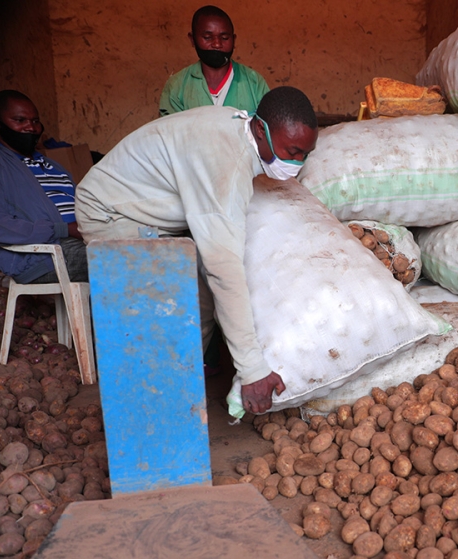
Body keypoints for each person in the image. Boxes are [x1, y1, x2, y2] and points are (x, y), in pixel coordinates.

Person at [76, 86, 318, 414]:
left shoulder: (238, 129)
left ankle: (177, 381)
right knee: (168, 305)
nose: (297, 163)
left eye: (305, 154)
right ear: (261, 130)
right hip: (110, 214)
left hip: (147, 214)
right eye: (291, 151)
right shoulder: (226, 163)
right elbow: (223, 268)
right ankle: (151, 401)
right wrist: (252, 369)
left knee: (202, 302)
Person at [0, 90, 88, 284]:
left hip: (80, 242)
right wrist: (64, 229)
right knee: (120, 260)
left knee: (141, 248)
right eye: (20, 120)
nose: (30, 127)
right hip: (42, 258)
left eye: (35, 121)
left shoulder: (52, 165)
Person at [158, 5, 271, 117]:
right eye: (207, 37)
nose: (217, 44)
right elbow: (168, 131)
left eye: (225, 38)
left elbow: (267, 128)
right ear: (192, 39)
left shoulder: (254, 83)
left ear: (234, 40)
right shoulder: (177, 86)